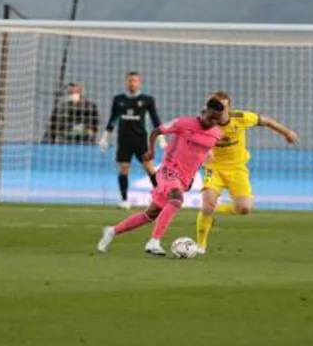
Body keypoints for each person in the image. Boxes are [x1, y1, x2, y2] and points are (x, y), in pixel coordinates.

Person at [97, 97, 227, 256]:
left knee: (150, 214)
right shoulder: (183, 123)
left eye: (217, 119)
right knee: (176, 199)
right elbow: (156, 131)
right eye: (210, 116)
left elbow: (205, 150)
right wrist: (151, 151)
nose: (212, 121)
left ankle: (112, 231)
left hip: (186, 177)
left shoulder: (217, 134)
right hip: (169, 169)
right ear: (204, 111)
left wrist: (208, 159)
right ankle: (154, 242)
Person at [194, 91, 298, 254]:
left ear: (229, 108)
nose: (218, 110)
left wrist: (287, 132)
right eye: (216, 106)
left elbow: (267, 121)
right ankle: (200, 245)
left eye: (223, 106)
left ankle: (217, 209)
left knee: (244, 209)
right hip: (214, 168)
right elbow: (193, 139)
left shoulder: (241, 117)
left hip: (237, 169)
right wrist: (204, 150)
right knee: (207, 205)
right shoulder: (205, 122)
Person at [98, 72, 164, 209]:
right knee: (124, 168)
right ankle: (124, 200)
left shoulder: (147, 100)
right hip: (124, 140)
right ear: (126, 82)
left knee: (149, 168)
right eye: (130, 81)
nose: (132, 83)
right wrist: (105, 136)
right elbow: (113, 118)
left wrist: (161, 137)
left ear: (140, 83)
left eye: (135, 81)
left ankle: (161, 197)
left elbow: (155, 118)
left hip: (140, 140)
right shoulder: (119, 99)